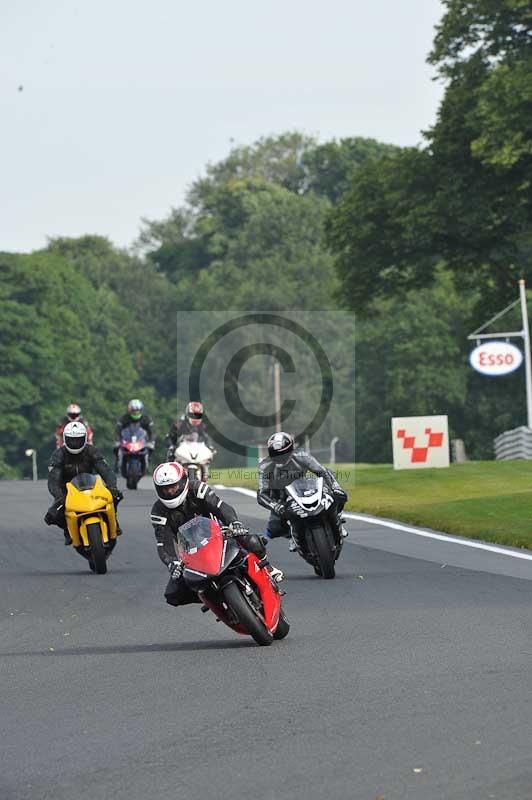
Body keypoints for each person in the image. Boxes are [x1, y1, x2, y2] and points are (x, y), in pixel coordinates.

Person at [150, 461, 283, 607]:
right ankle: (211, 599)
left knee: (250, 540)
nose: (170, 491)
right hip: (191, 552)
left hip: (220, 536)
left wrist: (234, 523)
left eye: (173, 486)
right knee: (173, 595)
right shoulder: (158, 511)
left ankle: (268, 568)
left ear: (183, 482)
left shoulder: (197, 489)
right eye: (165, 489)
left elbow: (220, 507)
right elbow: (163, 542)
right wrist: (172, 563)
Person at [257, 431, 348, 548]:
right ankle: (292, 535)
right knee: (274, 528)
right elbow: (261, 494)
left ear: (290, 450)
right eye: (275, 454)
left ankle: (338, 517)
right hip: (281, 498)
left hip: (305, 488)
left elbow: (322, 471)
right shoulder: (265, 467)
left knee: (339, 495)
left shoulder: (301, 456)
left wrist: (335, 487)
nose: (279, 457)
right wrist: (275, 506)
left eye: (283, 453)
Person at [45, 421, 123, 545]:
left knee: (116, 495)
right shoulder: (58, 455)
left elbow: (106, 470)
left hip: (90, 485)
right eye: (72, 440)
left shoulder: (92, 451)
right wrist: (59, 496)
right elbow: (53, 479)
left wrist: (112, 486)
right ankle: (67, 528)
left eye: (78, 440)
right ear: (65, 439)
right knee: (52, 516)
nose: (75, 443)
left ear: (85, 438)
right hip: (67, 490)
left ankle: (114, 520)